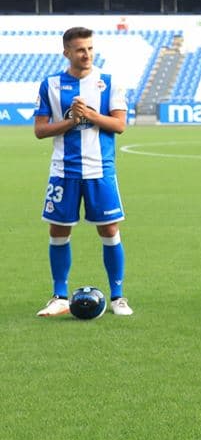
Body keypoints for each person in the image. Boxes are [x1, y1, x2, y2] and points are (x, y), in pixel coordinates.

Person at [34, 26, 133, 317]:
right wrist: (70, 121)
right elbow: (40, 130)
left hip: (100, 170)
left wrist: (89, 115)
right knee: (58, 230)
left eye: (89, 48)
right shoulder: (50, 84)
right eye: (79, 49)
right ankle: (60, 296)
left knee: (110, 229)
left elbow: (120, 125)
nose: (86, 54)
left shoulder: (109, 83)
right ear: (67, 52)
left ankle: (118, 297)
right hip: (63, 170)